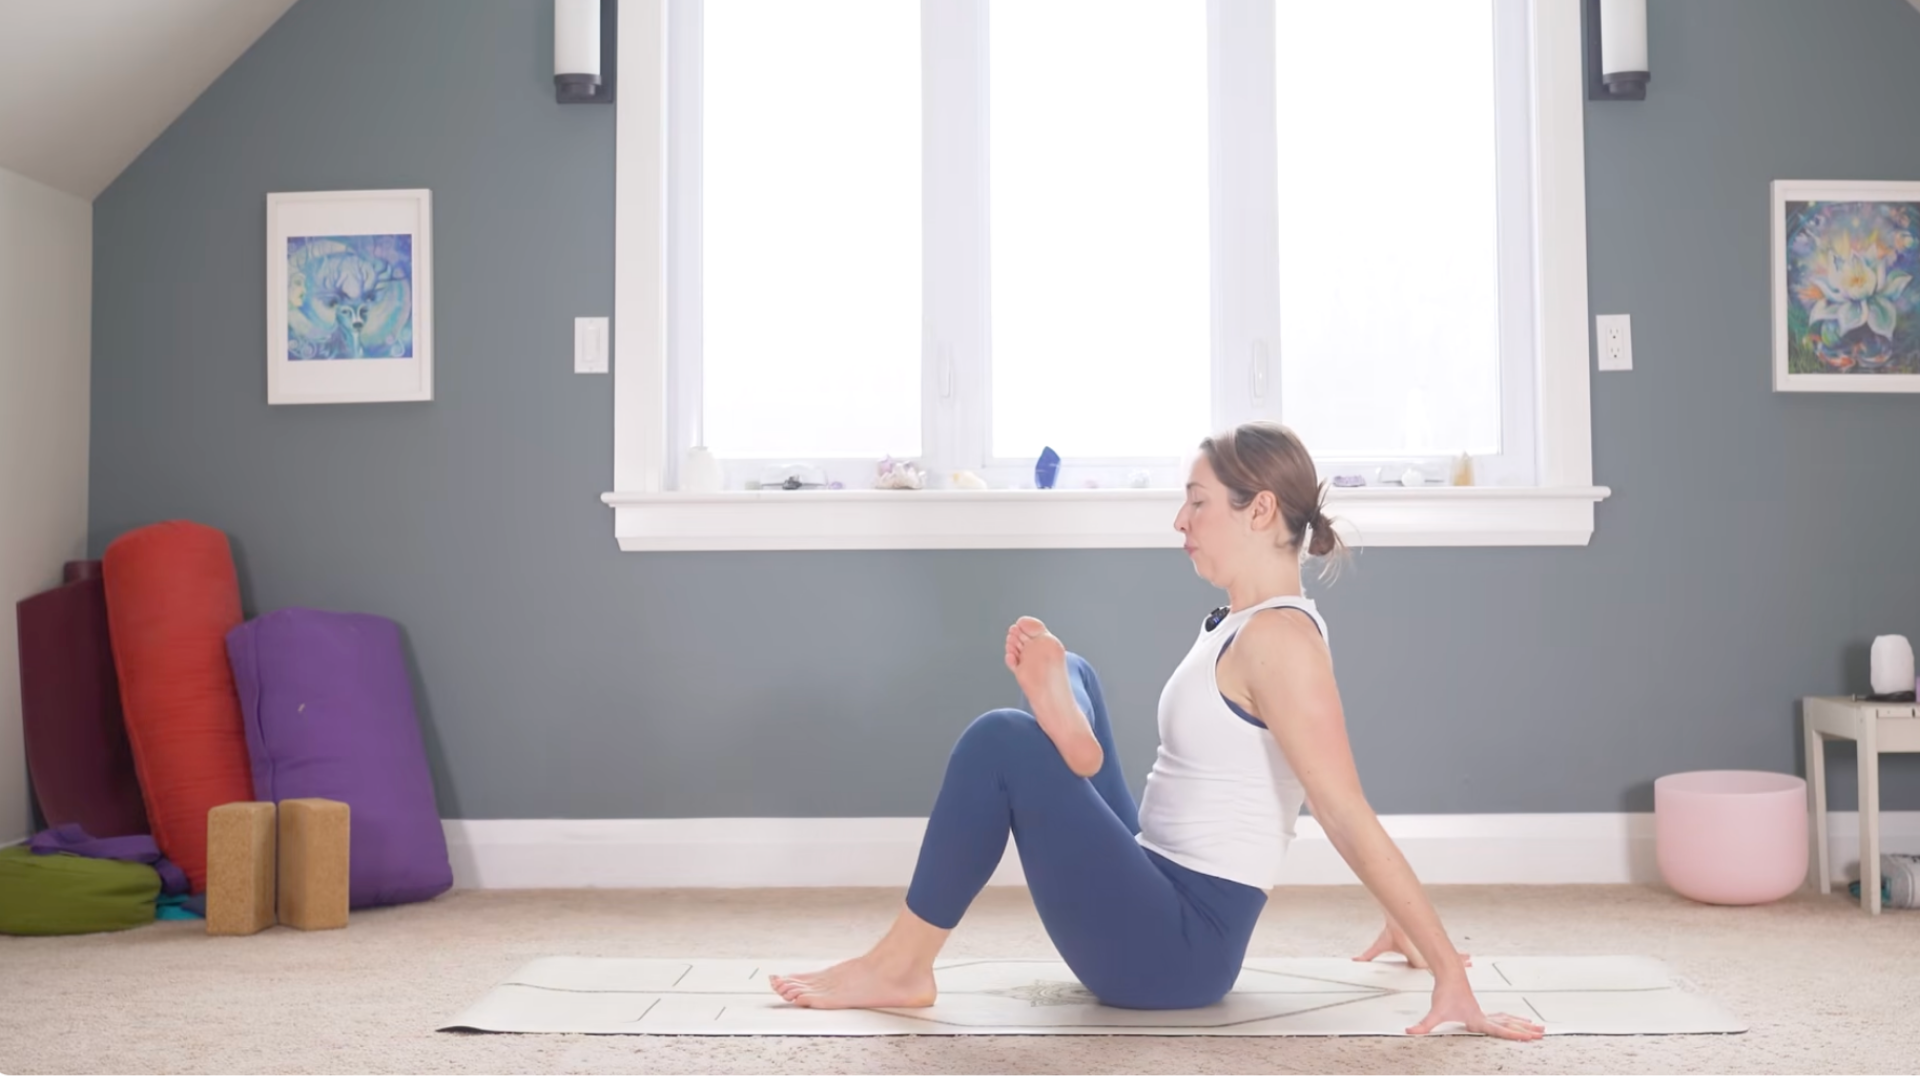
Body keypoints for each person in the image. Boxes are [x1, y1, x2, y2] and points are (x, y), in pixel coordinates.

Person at [768, 421, 1543, 1041]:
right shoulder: (1243, 623)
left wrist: (1445, 965)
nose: (1180, 519)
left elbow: (1341, 808)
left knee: (1001, 739)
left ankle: (904, 965)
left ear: (1260, 509)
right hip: (1159, 884)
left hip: (1175, 953)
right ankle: (1069, 704)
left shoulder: (1279, 644)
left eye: (1197, 501)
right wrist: (1396, 925)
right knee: (1084, 675)